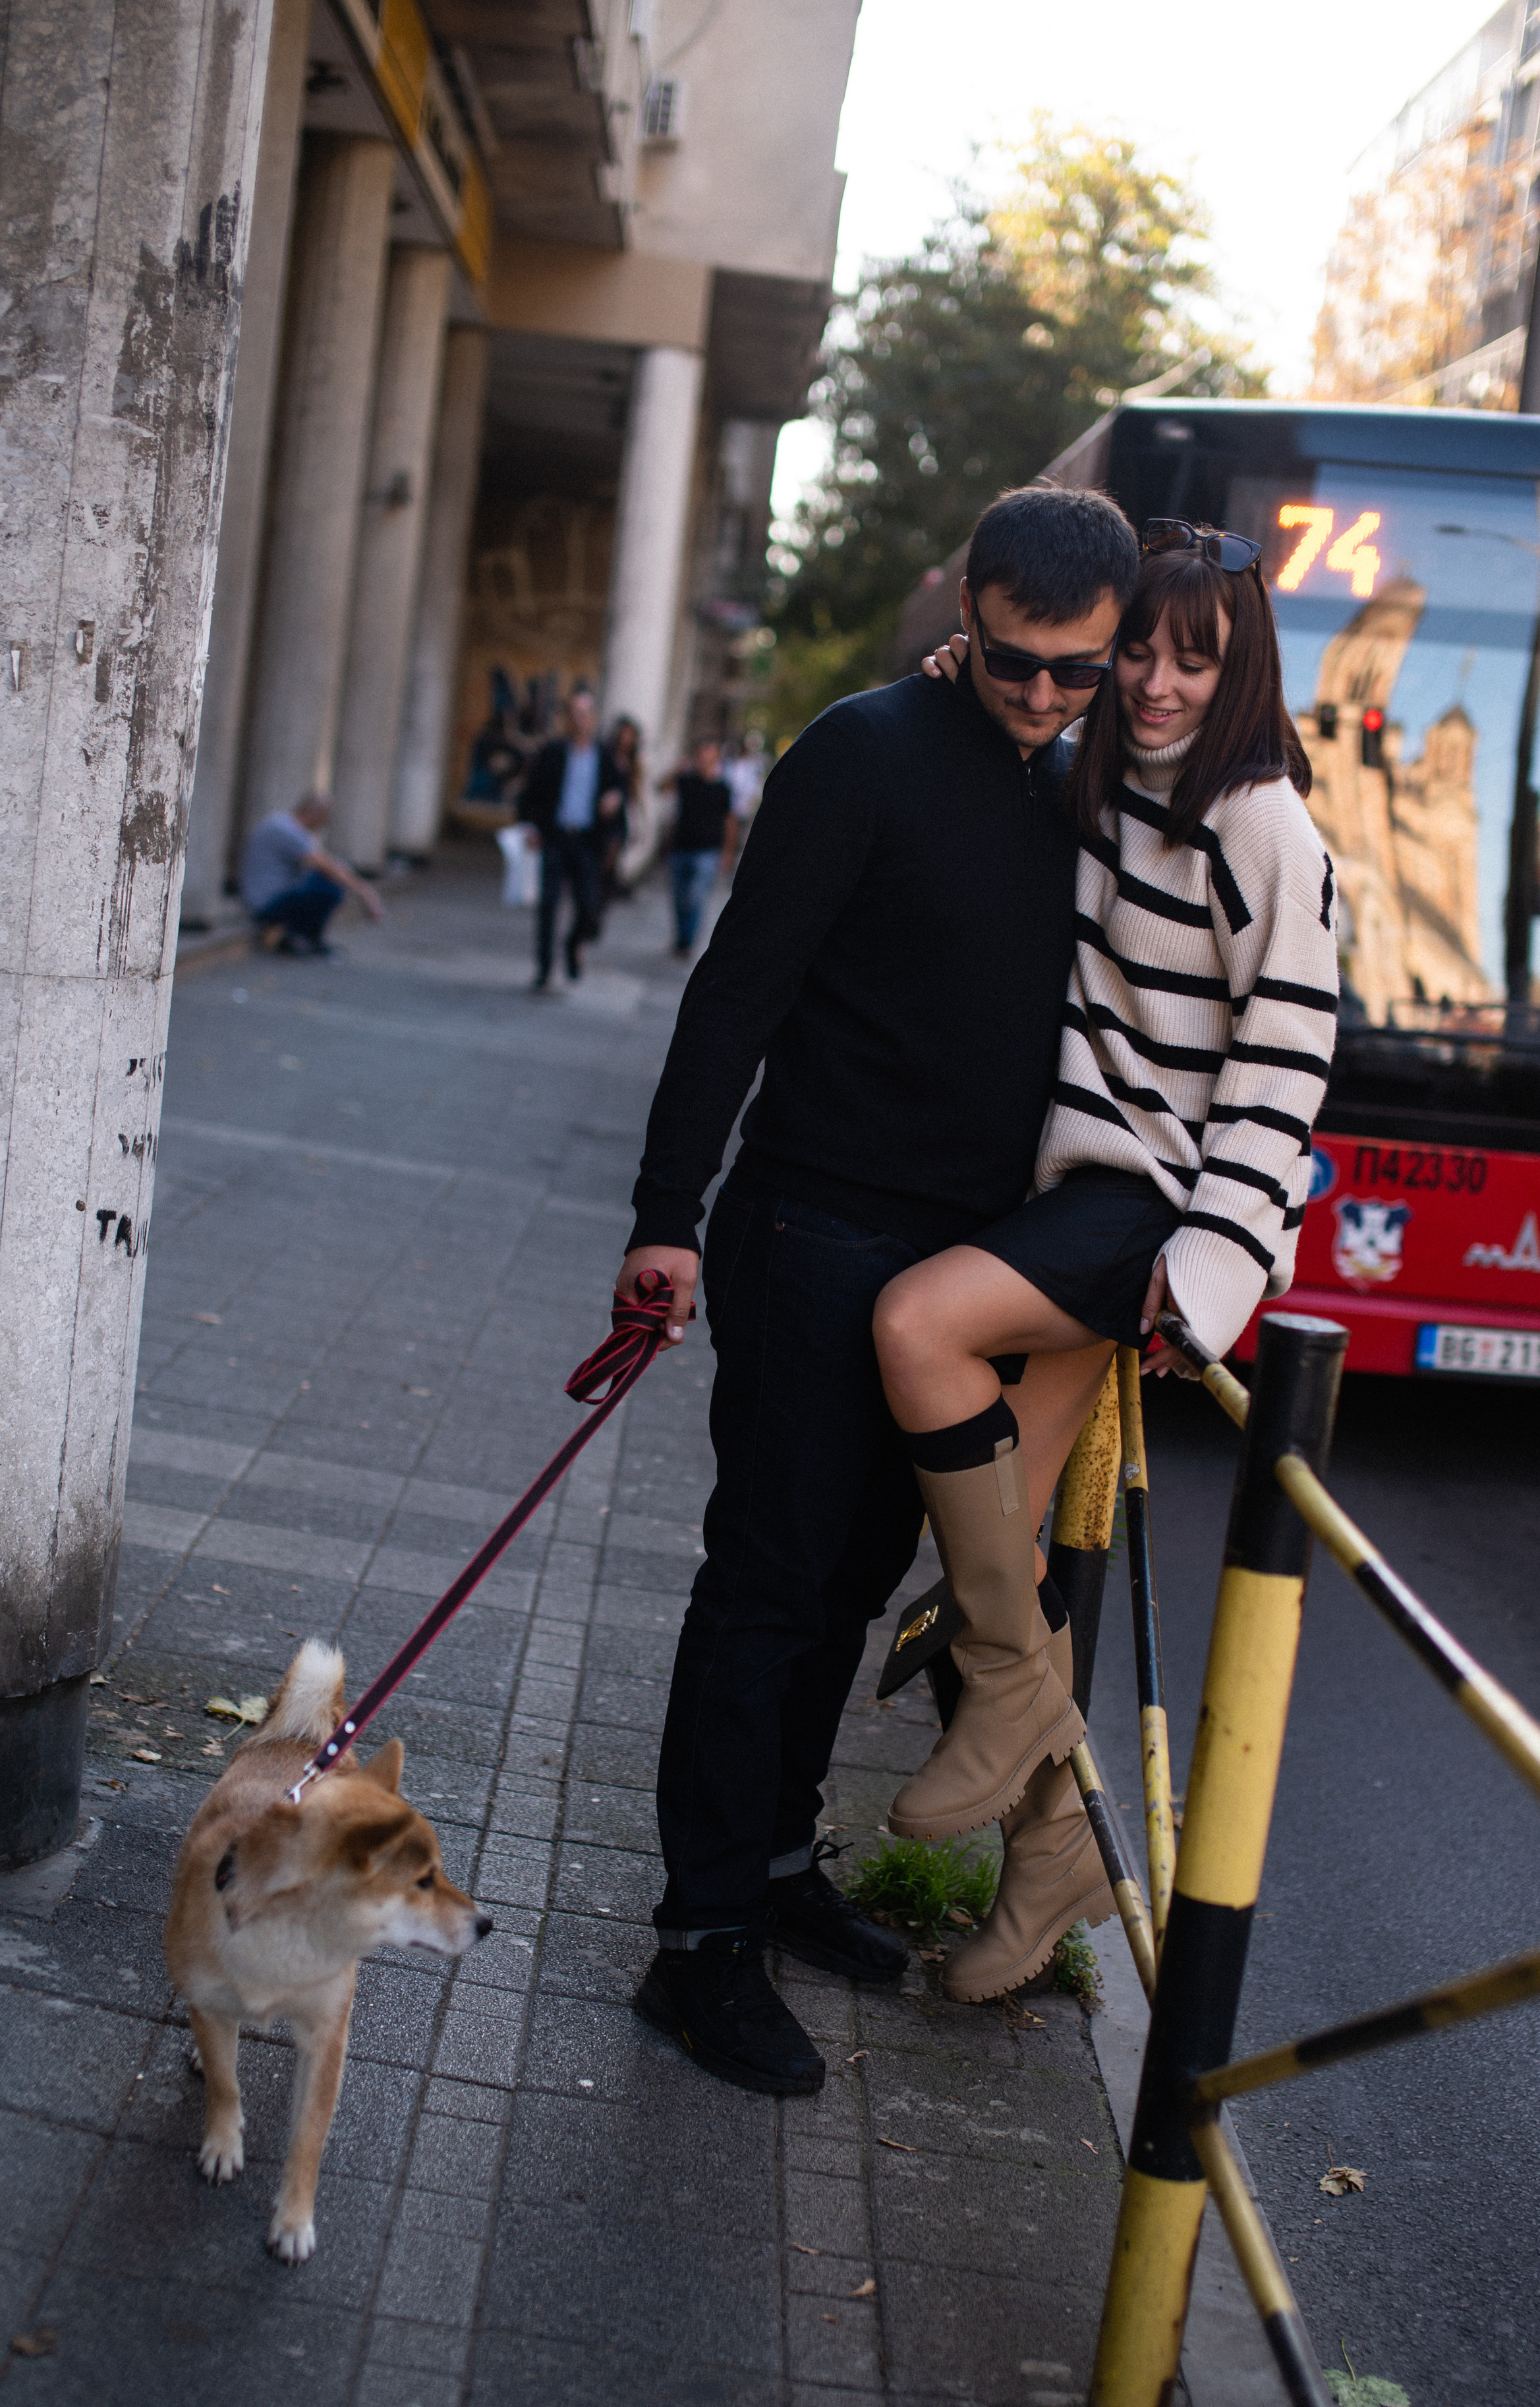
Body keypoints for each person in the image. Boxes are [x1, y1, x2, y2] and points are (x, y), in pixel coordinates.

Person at [612, 484, 1140, 2097]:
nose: (1043, 695)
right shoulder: (856, 751)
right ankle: (696, 1946)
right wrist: (666, 1218)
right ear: (961, 608)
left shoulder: (1083, 783)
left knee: (847, 1586)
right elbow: (735, 994)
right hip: (810, 1235)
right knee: (766, 1588)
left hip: (961, 1274)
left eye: (1079, 671)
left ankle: (774, 1871)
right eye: (1012, 659)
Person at [873, 522, 1340, 2004]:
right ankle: (1056, 1843)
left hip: (1144, 1215)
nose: (1149, 680)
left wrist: (1206, 1272)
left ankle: (1018, 1721)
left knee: (913, 1330)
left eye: (1189, 657)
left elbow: (1281, 1070)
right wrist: (962, 671)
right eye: (1136, 647)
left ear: (1238, 664)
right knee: (984, 1559)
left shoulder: (1266, 826)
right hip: (1069, 1185)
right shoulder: (1104, 777)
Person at [518, 684, 624, 987]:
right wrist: (529, 827)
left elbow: (619, 792)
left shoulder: (604, 756)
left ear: (594, 718)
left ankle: (572, 944)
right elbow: (530, 794)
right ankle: (544, 967)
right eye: (574, 714)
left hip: (588, 842)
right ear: (567, 718)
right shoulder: (553, 752)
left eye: (585, 714)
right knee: (548, 905)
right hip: (555, 838)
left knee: (590, 907)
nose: (580, 719)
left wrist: (614, 800)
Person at [239, 791, 384, 955]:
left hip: (276, 895)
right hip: (265, 902)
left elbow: (332, 863)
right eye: (326, 818)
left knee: (330, 878)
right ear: (317, 814)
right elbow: (326, 866)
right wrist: (366, 893)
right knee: (329, 886)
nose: (326, 824)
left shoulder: (291, 827)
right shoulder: (285, 829)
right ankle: (301, 937)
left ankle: (302, 936)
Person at [656, 739, 739, 957]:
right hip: (681, 848)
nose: (704, 758)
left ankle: (687, 942)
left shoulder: (723, 788)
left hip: (708, 852)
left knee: (696, 897)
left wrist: (728, 853)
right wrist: (677, 769)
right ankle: (681, 938)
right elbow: (661, 788)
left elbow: (730, 822)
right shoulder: (686, 780)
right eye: (701, 753)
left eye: (708, 753)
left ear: (716, 758)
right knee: (678, 897)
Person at [600, 715, 644, 895]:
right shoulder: (605, 755)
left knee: (611, 856)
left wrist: (640, 820)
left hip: (619, 818)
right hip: (603, 816)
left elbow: (635, 793)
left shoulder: (633, 762)